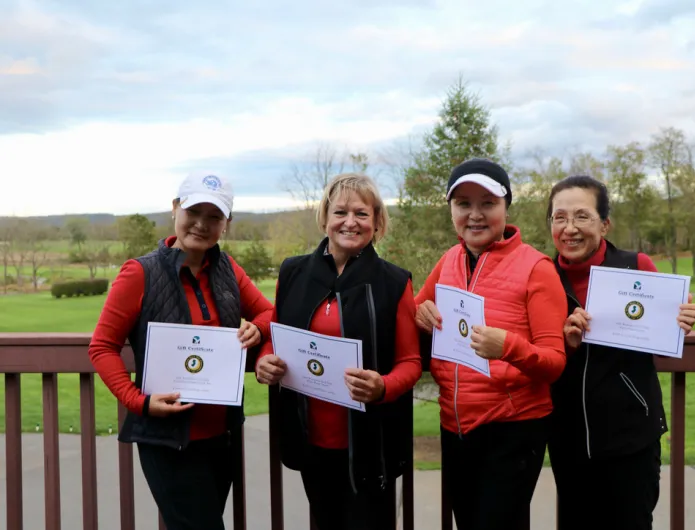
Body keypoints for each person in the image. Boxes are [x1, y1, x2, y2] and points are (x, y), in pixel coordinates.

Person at [88, 172, 274, 530]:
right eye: (194, 211)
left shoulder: (227, 269)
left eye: (215, 216)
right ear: (175, 209)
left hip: (222, 437)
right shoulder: (139, 273)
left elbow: (268, 312)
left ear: (226, 224)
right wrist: (138, 401)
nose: (202, 224)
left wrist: (258, 328)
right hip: (167, 439)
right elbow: (102, 347)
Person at [254, 172, 422, 530]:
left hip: (370, 446)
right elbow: (276, 334)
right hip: (311, 443)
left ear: (377, 222)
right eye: (340, 212)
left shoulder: (394, 282)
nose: (350, 222)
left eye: (362, 213)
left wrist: (382, 387)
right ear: (325, 218)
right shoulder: (294, 272)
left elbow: (410, 362)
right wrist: (264, 358)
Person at [414, 158, 568, 530]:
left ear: (506, 206)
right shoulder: (449, 260)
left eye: (488, 203)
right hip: (455, 426)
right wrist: (420, 311)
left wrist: (509, 347)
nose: (475, 215)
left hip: (513, 429)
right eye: (463, 204)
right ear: (451, 210)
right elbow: (417, 309)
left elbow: (554, 362)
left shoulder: (537, 267)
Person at [545, 175, 695, 530]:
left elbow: (662, 333)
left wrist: (681, 318)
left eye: (582, 216)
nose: (570, 228)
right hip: (568, 439)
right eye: (559, 217)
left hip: (632, 439)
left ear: (605, 223)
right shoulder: (542, 276)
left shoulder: (636, 266)